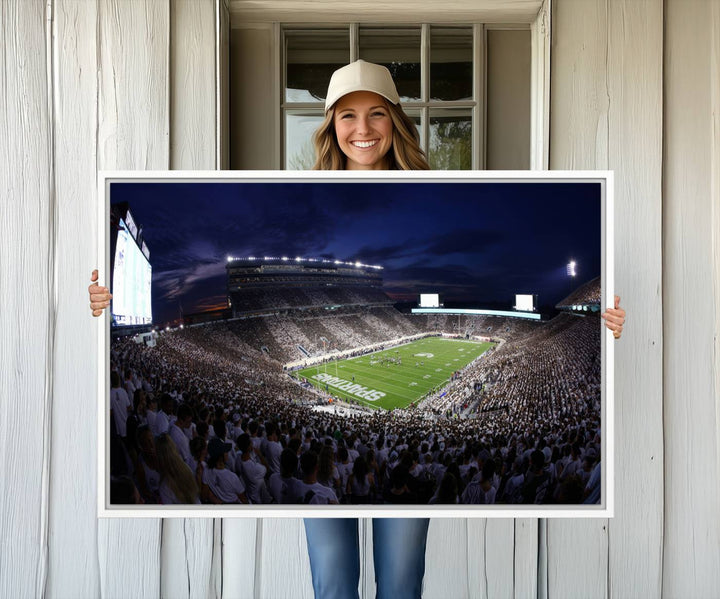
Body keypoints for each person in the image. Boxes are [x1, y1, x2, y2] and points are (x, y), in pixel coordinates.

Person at [88, 59, 627, 598]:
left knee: (399, 583)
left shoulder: (433, 186)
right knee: (333, 583)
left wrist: (604, 322)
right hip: (329, 487)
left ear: (396, 120)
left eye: (376, 114)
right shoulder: (303, 190)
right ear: (330, 126)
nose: (362, 129)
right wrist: (102, 303)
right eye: (347, 116)